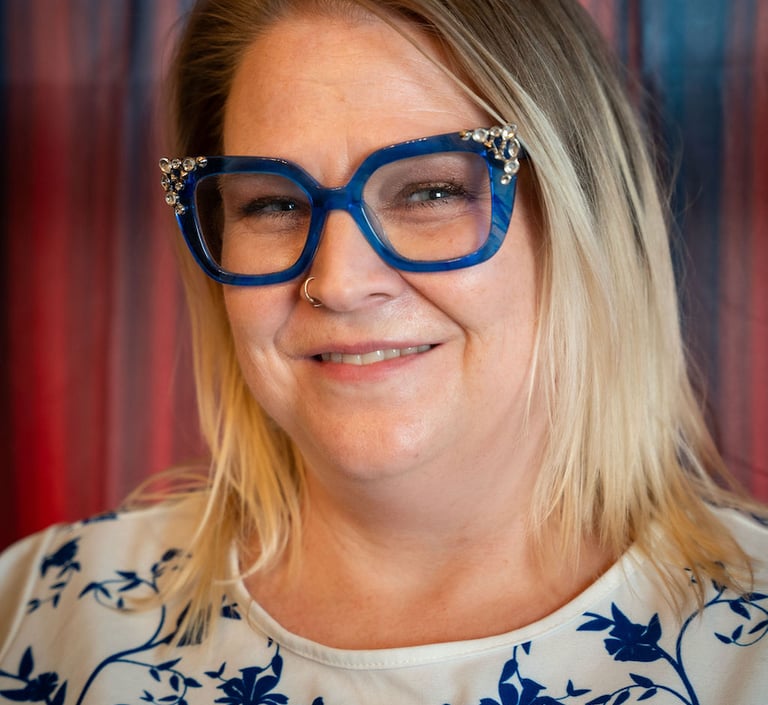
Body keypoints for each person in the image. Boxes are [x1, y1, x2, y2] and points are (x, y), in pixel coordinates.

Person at [1, 0, 766, 703]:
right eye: (272, 203)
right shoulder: (36, 614)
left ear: (581, 213)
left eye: (429, 191)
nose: (337, 282)